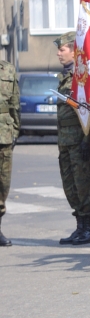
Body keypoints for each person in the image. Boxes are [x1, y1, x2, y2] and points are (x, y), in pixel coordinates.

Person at [55, 31, 90, 246]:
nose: (58, 54)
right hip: (65, 140)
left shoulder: (81, 77)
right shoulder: (65, 75)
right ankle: (80, 226)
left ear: (74, 51)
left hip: (78, 139)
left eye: (62, 49)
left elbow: (88, 108)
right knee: (70, 185)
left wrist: (86, 137)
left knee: (83, 185)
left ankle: (89, 228)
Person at [0, 56, 20, 247]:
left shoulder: (8, 69)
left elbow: (15, 102)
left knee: (2, 184)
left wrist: (15, 130)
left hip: (3, 134)